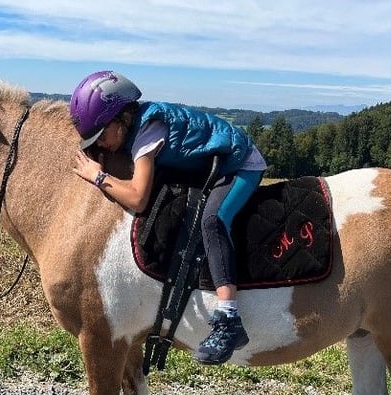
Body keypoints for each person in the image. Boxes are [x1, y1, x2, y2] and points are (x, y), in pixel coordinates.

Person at [70, 70, 267, 365]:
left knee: (214, 220)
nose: (101, 145)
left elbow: (138, 199)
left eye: (102, 136)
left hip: (239, 164)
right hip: (214, 163)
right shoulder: (134, 127)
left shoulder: (147, 134)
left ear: (121, 119)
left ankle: (229, 320)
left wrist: (98, 177)